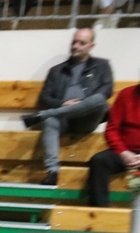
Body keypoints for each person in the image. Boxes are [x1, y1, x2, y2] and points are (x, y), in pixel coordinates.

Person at [24, 28, 114, 187]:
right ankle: (52, 171)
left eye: (82, 43)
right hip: (63, 119)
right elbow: (44, 98)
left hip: (87, 119)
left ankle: (44, 115)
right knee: (50, 121)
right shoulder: (56, 71)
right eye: (74, 42)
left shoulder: (102, 66)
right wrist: (62, 104)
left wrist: (82, 104)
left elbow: (107, 90)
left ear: (91, 46)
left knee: (100, 100)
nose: (76, 46)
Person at [87, 76, 140, 207]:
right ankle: (100, 210)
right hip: (125, 152)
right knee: (99, 161)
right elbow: (111, 129)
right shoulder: (126, 94)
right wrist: (123, 152)